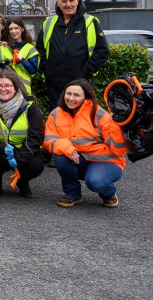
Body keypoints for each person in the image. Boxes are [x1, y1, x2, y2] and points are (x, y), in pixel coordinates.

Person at [43, 79, 127, 209]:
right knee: (60, 156)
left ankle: (109, 194)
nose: (71, 98)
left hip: (106, 161)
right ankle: (73, 194)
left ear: (85, 97)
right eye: (68, 93)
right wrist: (67, 148)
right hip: (78, 159)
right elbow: (49, 140)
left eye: (76, 95)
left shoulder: (98, 113)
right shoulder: (56, 114)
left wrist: (115, 126)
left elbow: (119, 148)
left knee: (96, 182)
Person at [36, 0, 110, 109]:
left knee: (81, 122)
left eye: (71, 0)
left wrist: (86, 71)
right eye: (64, 1)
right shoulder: (49, 23)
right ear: (57, 3)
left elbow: (102, 51)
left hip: (81, 85)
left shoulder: (90, 22)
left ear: (78, 1)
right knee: (58, 120)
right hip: (55, 85)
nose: (68, 4)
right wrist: (47, 68)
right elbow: (40, 49)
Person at [0, 67, 45, 198]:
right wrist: (2, 147)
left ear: (15, 87)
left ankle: (22, 181)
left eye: (8, 85)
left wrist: (19, 158)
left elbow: (36, 136)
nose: (3, 89)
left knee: (36, 164)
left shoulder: (30, 107)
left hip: (22, 149)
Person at [0, 17, 40, 92]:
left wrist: (22, 60)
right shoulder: (0, 48)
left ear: (22, 29)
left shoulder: (30, 49)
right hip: (4, 90)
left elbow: (33, 70)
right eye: (10, 29)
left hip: (23, 91)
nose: (13, 31)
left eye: (16, 28)